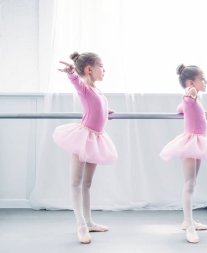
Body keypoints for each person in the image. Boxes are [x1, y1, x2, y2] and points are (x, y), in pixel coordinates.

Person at [53, 52, 118, 244]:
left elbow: (97, 107)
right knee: (76, 182)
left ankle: (89, 221)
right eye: (101, 66)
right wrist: (71, 73)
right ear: (90, 69)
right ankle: (80, 224)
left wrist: (106, 110)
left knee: (87, 184)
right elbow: (77, 83)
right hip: (82, 137)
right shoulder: (85, 88)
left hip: (96, 139)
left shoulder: (97, 91)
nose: (104, 70)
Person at [160, 64, 207, 243]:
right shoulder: (190, 95)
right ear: (191, 83)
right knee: (189, 183)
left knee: (192, 182)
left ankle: (189, 220)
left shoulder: (195, 101)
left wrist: (204, 113)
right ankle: (188, 226)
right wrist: (190, 94)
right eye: (202, 79)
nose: (206, 81)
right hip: (190, 143)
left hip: (198, 142)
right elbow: (186, 102)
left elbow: (182, 108)